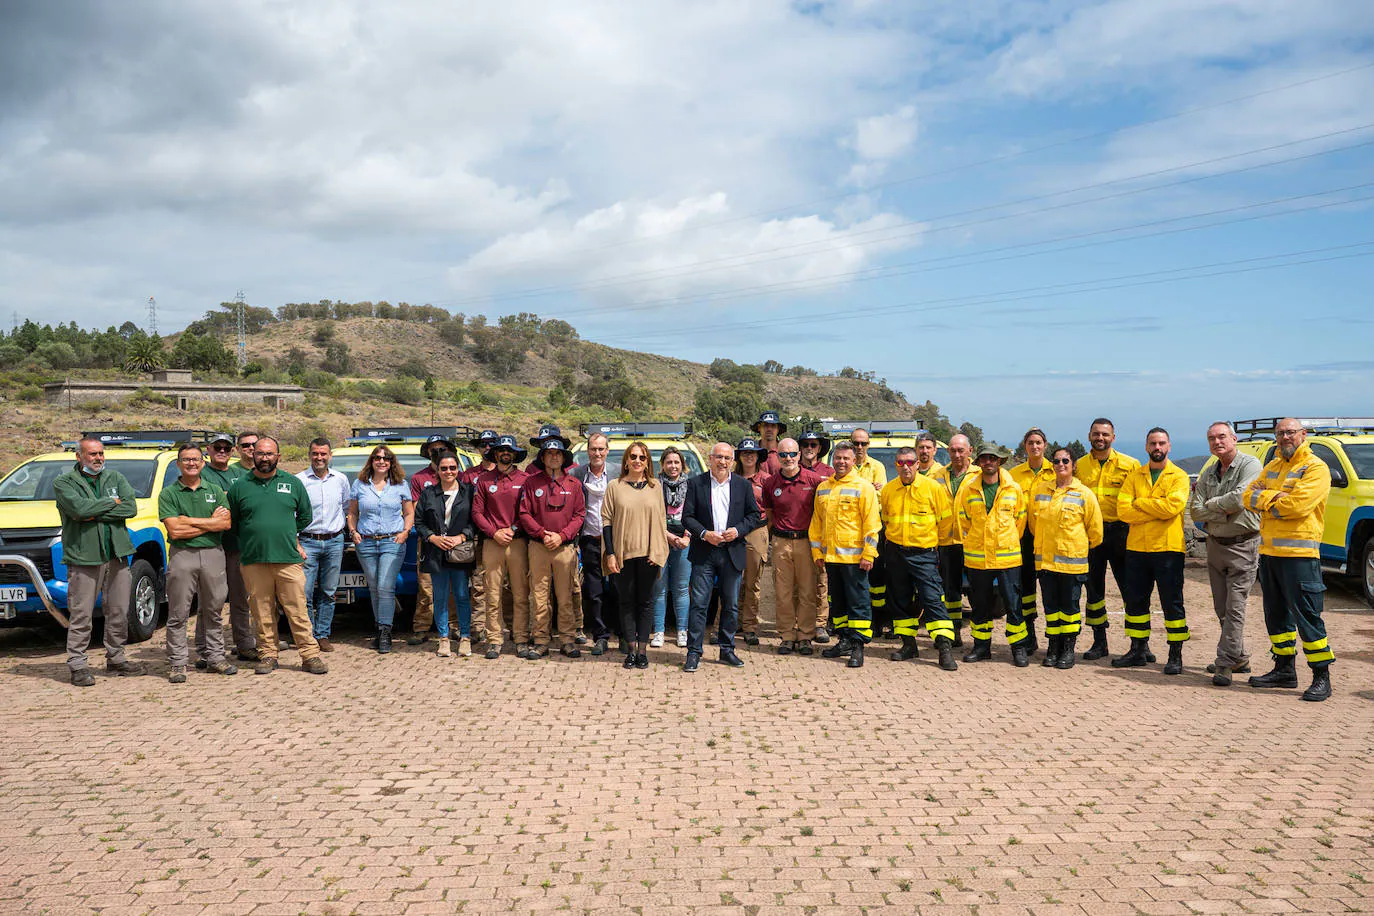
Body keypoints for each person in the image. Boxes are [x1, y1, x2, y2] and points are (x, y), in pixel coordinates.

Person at [1244, 418, 1335, 701]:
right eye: (1281, 433)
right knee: (1276, 616)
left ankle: (1322, 675)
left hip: (1299, 557)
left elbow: (1297, 506)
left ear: (1303, 435)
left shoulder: (1315, 468)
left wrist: (1267, 500)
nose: (1285, 437)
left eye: (1290, 432)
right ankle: (1284, 670)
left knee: (1308, 618)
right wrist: (1276, 498)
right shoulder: (1272, 466)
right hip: (1269, 554)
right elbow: (1248, 497)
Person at [226, 436, 327, 675]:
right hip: (254, 560)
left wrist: (286, 532)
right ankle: (268, 654)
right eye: (260, 453)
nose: (264, 458)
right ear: (253, 456)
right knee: (261, 611)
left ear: (278, 457)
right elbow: (234, 521)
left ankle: (310, 655)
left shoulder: (292, 483)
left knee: (297, 609)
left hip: (288, 559)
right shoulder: (241, 485)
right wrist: (255, 535)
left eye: (269, 454)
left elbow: (305, 516)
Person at [54, 435, 145, 686]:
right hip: (84, 557)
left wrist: (95, 509)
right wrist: (109, 503)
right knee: (81, 614)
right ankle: (78, 665)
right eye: (92, 454)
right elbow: (79, 511)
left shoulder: (115, 478)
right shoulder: (64, 482)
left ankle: (116, 659)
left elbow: (130, 508)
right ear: (79, 456)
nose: (98, 458)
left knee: (118, 610)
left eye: (101, 454)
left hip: (117, 554)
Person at [1188, 422, 1262, 687]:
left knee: (1235, 607)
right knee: (1221, 607)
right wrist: (1223, 509)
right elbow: (1195, 511)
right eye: (1211, 438)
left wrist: (1213, 506)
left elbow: (1241, 499)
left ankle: (1224, 663)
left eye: (1221, 437)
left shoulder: (1250, 465)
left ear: (1234, 438)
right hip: (1215, 545)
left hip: (1244, 546)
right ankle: (1239, 657)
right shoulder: (1209, 472)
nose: (1217, 442)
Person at [1113, 427, 1191, 674]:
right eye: (1153, 444)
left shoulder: (1179, 476)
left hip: (1168, 548)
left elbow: (1173, 507)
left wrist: (1140, 504)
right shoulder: (1135, 476)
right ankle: (1137, 649)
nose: (1157, 448)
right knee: (1136, 602)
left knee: (1172, 603)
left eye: (1162, 443)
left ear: (1169, 446)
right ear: (1146, 447)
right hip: (1137, 549)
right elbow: (1123, 511)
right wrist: (1155, 509)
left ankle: (1175, 654)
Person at [682, 442, 763, 672]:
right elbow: (687, 517)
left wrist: (737, 531)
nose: (723, 462)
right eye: (719, 457)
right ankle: (694, 652)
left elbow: (754, 515)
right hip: (704, 552)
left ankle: (727, 650)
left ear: (732, 461)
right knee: (699, 604)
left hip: (732, 551)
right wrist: (704, 534)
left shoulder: (741, 485)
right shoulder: (695, 484)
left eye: (727, 458)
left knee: (730, 605)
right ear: (710, 458)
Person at [158, 443, 234, 683]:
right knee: (178, 612)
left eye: (195, 459)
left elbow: (225, 524)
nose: (191, 463)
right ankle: (178, 663)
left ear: (202, 463)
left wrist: (189, 521)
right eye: (186, 460)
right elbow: (175, 531)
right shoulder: (169, 493)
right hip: (183, 556)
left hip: (213, 554)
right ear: (178, 464)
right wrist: (208, 523)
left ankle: (215, 658)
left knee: (213, 610)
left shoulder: (215, 490)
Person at [880, 446, 958, 671]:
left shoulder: (932, 488)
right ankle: (908, 645)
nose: (905, 467)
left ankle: (944, 649)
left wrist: (935, 549)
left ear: (917, 464)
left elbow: (945, 523)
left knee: (933, 600)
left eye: (909, 462)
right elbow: (886, 520)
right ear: (896, 465)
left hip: (924, 554)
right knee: (900, 600)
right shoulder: (888, 490)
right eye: (900, 463)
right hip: (896, 553)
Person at [955, 444, 1030, 667]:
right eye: (985, 458)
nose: (989, 462)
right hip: (978, 559)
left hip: (1008, 559)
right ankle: (981, 647)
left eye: (993, 458)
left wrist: (1005, 542)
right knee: (980, 605)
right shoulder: (968, 490)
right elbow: (963, 521)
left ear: (1000, 462)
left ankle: (1018, 648)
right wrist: (975, 543)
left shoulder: (1013, 489)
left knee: (1013, 604)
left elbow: (1020, 521)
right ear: (978, 462)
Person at [1028, 447, 1103, 669]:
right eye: (1057, 461)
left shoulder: (1084, 494)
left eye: (1065, 461)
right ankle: (1053, 647)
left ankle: (1068, 649)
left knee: (1069, 609)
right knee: (1050, 607)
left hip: (1072, 565)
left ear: (1073, 465)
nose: (1061, 464)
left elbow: (1095, 531)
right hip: (1046, 563)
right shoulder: (1041, 490)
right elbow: (1033, 525)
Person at [1074, 418, 1141, 661]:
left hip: (1122, 532)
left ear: (1113, 437)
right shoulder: (1079, 465)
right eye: (1096, 434)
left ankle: (1139, 644)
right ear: (1089, 436)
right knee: (1094, 591)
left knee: (1131, 590)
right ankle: (1099, 642)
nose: (1100, 438)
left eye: (1104, 434)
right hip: (1092, 534)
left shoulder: (1130, 464)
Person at [811, 442, 882, 668]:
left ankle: (858, 647)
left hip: (855, 560)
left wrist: (869, 554)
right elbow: (816, 523)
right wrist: (817, 552)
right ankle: (843, 641)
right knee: (837, 604)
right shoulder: (823, 488)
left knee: (858, 604)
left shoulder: (864, 487)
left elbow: (872, 524)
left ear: (853, 461)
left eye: (846, 458)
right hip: (831, 559)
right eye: (838, 458)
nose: (841, 462)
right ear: (832, 460)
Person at [601, 441, 669, 670]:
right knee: (626, 602)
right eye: (633, 457)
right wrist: (610, 554)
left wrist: (658, 551)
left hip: (648, 554)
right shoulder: (615, 486)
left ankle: (642, 651)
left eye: (642, 457)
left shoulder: (655, 486)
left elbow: (661, 521)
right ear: (626, 460)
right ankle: (630, 650)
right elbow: (607, 522)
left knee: (646, 602)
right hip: (623, 555)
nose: (637, 461)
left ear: (647, 461)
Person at [518, 435, 586, 659]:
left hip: (564, 548)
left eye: (558, 453)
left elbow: (579, 515)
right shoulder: (531, 482)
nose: (554, 457)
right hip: (538, 547)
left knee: (565, 596)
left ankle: (567, 640)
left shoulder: (574, 484)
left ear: (563, 457)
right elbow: (524, 513)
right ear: (543, 457)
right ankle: (540, 640)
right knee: (539, 596)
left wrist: (562, 536)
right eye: (549, 453)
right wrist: (541, 533)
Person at [348, 444, 414, 655]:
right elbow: (352, 512)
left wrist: (405, 532)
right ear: (372, 461)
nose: (382, 461)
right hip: (365, 542)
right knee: (375, 587)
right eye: (377, 457)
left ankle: (385, 632)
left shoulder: (401, 485)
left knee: (386, 586)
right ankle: (380, 629)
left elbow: (409, 513)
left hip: (391, 542)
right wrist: (353, 531)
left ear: (391, 462)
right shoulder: (359, 484)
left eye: (386, 458)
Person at [760, 438, 823, 655]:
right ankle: (786, 635)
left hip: (806, 542)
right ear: (777, 457)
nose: (788, 458)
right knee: (783, 592)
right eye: (783, 455)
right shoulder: (770, 483)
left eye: (792, 454)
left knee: (807, 590)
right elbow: (769, 514)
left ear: (799, 455)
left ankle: (805, 635)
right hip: (781, 541)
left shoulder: (813, 480)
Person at [200, 431, 258, 663]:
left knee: (239, 598)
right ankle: (205, 649)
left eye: (226, 448)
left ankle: (244, 643)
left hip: (236, 544)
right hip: (210, 545)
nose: (221, 451)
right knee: (209, 600)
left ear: (232, 451)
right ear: (209, 450)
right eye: (217, 447)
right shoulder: (201, 473)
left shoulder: (239, 474)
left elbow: (246, 503)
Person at [473, 435, 531, 659]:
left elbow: (527, 511)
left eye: (509, 450)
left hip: (517, 542)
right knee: (492, 592)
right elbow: (477, 512)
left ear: (514, 454)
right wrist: (494, 532)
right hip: (492, 542)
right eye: (501, 450)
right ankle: (494, 639)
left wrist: (513, 530)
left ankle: (521, 638)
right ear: (494, 454)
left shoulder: (525, 479)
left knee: (520, 593)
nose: (505, 454)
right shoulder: (485, 480)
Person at [415, 451, 476, 658]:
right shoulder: (428, 493)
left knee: (461, 595)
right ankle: (443, 639)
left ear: (458, 469)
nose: (448, 472)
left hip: (460, 552)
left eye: (452, 467)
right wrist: (432, 538)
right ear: (437, 470)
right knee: (439, 597)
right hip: (435, 551)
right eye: (444, 468)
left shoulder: (469, 491)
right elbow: (419, 521)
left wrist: (462, 537)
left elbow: (474, 521)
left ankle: (465, 638)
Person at [296, 437, 350, 652]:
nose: (319, 457)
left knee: (329, 592)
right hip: (308, 541)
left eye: (323, 454)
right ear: (309, 455)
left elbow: (345, 506)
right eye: (315, 453)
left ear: (330, 456)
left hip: (334, 541)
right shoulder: (299, 480)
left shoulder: (341, 480)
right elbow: (292, 511)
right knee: (305, 593)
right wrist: (297, 541)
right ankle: (308, 635)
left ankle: (323, 634)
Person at [571, 433, 620, 655]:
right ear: (587, 451)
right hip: (590, 540)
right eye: (593, 449)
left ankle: (623, 633)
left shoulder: (620, 472)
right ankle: (600, 636)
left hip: (617, 541)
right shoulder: (577, 474)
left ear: (607, 450)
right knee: (595, 591)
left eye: (601, 449)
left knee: (620, 588)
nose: (597, 453)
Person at [408, 433, 458, 645]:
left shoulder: (456, 474)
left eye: (441, 448)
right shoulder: (420, 478)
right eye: (433, 449)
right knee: (426, 586)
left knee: (454, 585)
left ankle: (454, 627)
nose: (437, 452)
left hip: (454, 539)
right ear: (427, 452)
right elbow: (418, 508)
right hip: (429, 539)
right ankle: (421, 627)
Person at [1009, 428, 1053, 655]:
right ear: (1024, 446)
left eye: (1038, 442)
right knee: (1025, 589)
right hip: (1023, 538)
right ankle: (1029, 636)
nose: (1034, 447)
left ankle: (1055, 639)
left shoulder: (1056, 470)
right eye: (1030, 443)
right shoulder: (1014, 474)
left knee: (1049, 588)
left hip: (1048, 538)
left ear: (1045, 444)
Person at [929, 434, 973, 645]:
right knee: (950, 591)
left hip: (973, 542)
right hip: (946, 542)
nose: (956, 454)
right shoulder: (937, 475)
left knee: (977, 591)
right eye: (953, 450)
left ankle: (981, 639)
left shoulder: (980, 474)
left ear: (970, 451)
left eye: (960, 450)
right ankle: (953, 632)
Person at [462, 429, 501, 648]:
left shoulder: (507, 472)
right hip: (476, 536)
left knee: (504, 585)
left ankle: (508, 627)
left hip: (501, 537)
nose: (487, 448)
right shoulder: (469, 475)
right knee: (478, 584)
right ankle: (480, 628)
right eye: (483, 445)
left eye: (491, 444)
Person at [653, 446, 693, 648]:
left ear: (682, 465)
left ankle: (682, 631)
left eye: (676, 462)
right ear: (662, 465)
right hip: (660, 541)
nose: (673, 466)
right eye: (669, 462)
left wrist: (686, 536)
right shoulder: (653, 486)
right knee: (659, 588)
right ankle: (658, 631)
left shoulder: (692, 486)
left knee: (681, 589)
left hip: (685, 542)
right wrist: (667, 536)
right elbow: (651, 517)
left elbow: (696, 514)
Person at [796, 429, 833, 642]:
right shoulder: (792, 470)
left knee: (821, 582)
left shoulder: (829, 471)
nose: (809, 449)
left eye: (814, 445)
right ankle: (798, 622)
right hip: (799, 533)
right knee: (796, 584)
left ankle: (820, 625)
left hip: (821, 535)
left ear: (820, 448)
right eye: (806, 445)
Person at [734, 436, 771, 646]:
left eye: (752, 453)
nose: (748, 456)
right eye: (745, 453)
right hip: (734, 532)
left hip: (757, 530)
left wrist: (765, 531)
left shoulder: (766, 480)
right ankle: (730, 623)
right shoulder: (730, 479)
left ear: (758, 456)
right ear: (739, 456)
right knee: (731, 580)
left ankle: (749, 626)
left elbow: (772, 511)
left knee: (753, 582)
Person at [752, 410, 786, 474]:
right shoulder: (751, 452)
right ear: (759, 428)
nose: (769, 429)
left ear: (778, 429)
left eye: (773, 426)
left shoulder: (785, 452)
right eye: (765, 425)